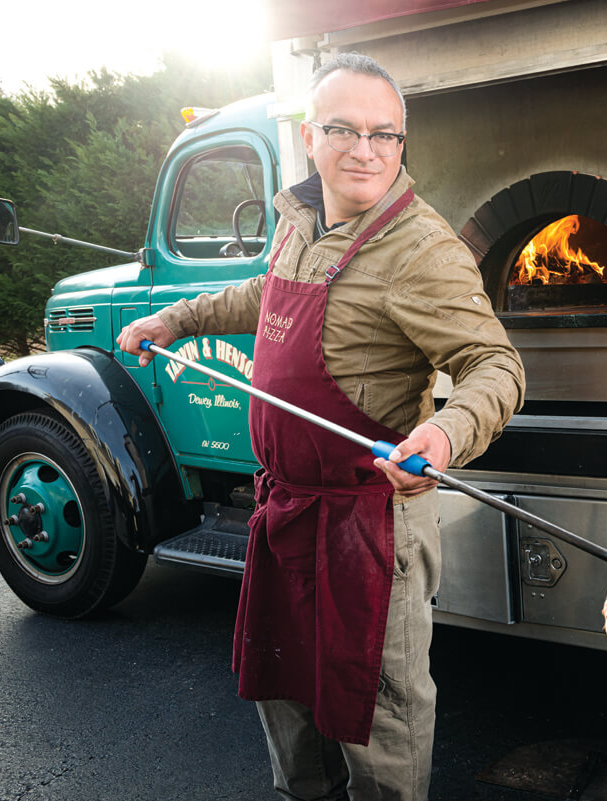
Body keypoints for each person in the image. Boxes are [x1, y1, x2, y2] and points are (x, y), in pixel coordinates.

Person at [117, 53, 525, 801]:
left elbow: (494, 365)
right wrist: (173, 318)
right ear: (312, 136)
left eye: (385, 135)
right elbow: (264, 292)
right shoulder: (299, 216)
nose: (366, 150)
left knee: (376, 717)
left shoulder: (420, 249)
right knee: (288, 692)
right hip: (285, 511)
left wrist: (442, 435)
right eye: (345, 129)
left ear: (403, 144)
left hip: (369, 525)